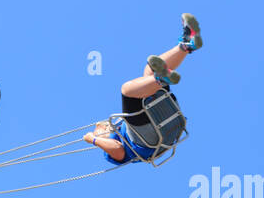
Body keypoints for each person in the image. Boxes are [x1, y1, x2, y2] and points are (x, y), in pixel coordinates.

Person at [84, 14, 201, 165]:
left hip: (158, 120)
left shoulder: (119, 126)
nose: (100, 131)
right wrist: (93, 139)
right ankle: (160, 79)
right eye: (98, 131)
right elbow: (118, 150)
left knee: (149, 70)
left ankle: (186, 45)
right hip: (148, 138)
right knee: (127, 90)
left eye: (98, 130)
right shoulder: (111, 149)